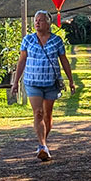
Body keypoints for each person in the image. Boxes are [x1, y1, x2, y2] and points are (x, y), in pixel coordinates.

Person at [11, 9, 76, 161]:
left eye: (41, 20)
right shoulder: (28, 40)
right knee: (38, 113)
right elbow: (22, 62)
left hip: (51, 83)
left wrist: (71, 80)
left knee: (47, 115)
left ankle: (43, 143)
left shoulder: (56, 40)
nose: (37, 23)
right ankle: (42, 146)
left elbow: (64, 61)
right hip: (33, 82)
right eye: (35, 20)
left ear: (48, 23)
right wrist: (16, 81)